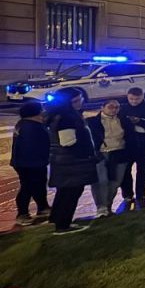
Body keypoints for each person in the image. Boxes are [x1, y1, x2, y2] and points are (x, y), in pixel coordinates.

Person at [46, 89, 96, 235]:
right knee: (70, 193)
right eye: (76, 100)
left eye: (80, 99)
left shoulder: (63, 115)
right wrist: (86, 152)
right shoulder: (66, 117)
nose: (80, 102)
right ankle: (63, 225)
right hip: (71, 163)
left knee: (65, 192)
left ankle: (57, 220)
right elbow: (67, 141)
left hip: (66, 162)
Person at [87, 100, 136, 218]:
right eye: (110, 107)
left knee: (116, 181)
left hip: (119, 153)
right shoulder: (93, 122)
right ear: (102, 107)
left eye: (117, 107)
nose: (114, 109)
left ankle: (107, 205)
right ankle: (101, 207)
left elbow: (130, 136)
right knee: (101, 181)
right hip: (101, 154)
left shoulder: (123, 120)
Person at [11, 102, 50, 226]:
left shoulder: (24, 124)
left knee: (37, 185)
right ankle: (22, 213)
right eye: (41, 109)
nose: (43, 111)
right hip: (30, 163)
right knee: (28, 187)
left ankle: (43, 207)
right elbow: (32, 147)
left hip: (27, 162)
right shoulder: (31, 127)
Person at [119, 87, 145, 211]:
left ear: (142, 97)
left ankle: (141, 194)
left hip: (143, 142)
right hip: (128, 143)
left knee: (141, 169)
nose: (134, 101)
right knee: (126, 170)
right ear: (127, 97)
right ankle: (127, 194)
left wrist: (139, 121)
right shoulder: (123, 109)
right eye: (131, 99)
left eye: (137, 99)